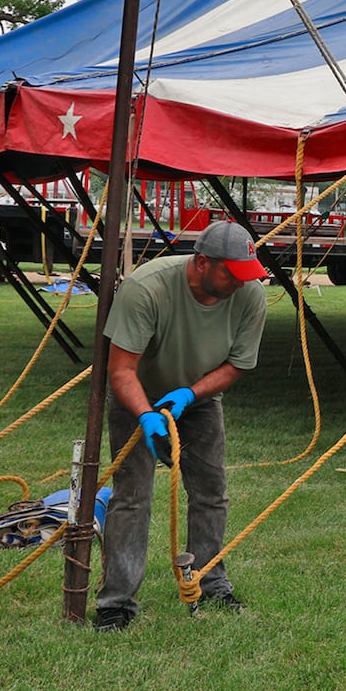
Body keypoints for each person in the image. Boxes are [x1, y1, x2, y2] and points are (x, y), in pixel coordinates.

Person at [94, 220, 269, 632]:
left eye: (247, 274)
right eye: (232, 274)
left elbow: (237, 365)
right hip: (138, 395)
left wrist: (190, 395)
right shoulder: (146, 288)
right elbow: (120, 370)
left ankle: (211, 583)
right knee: (132, 497)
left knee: (211, 492)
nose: (241, 284)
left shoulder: (250, 294)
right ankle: (116, 603)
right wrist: (148, 414)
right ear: (203, 263)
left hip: (200, 398)